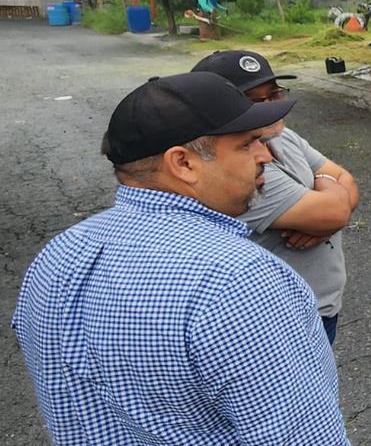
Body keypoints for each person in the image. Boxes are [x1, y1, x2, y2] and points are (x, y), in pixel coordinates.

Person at [12, 72, 349, 444]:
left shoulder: (57, 257)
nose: (265, 156)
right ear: (183, 163)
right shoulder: (240, 281)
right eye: (247, 144)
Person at [193, 50, 358, 345]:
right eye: (255, 100)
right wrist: (329, 198)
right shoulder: (238, 171)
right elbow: (335, 210)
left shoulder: (283, 136)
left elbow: (348, 182)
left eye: (274, 95)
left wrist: (325, 211)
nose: (270, 107)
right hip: (282, 318)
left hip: (318, 305)